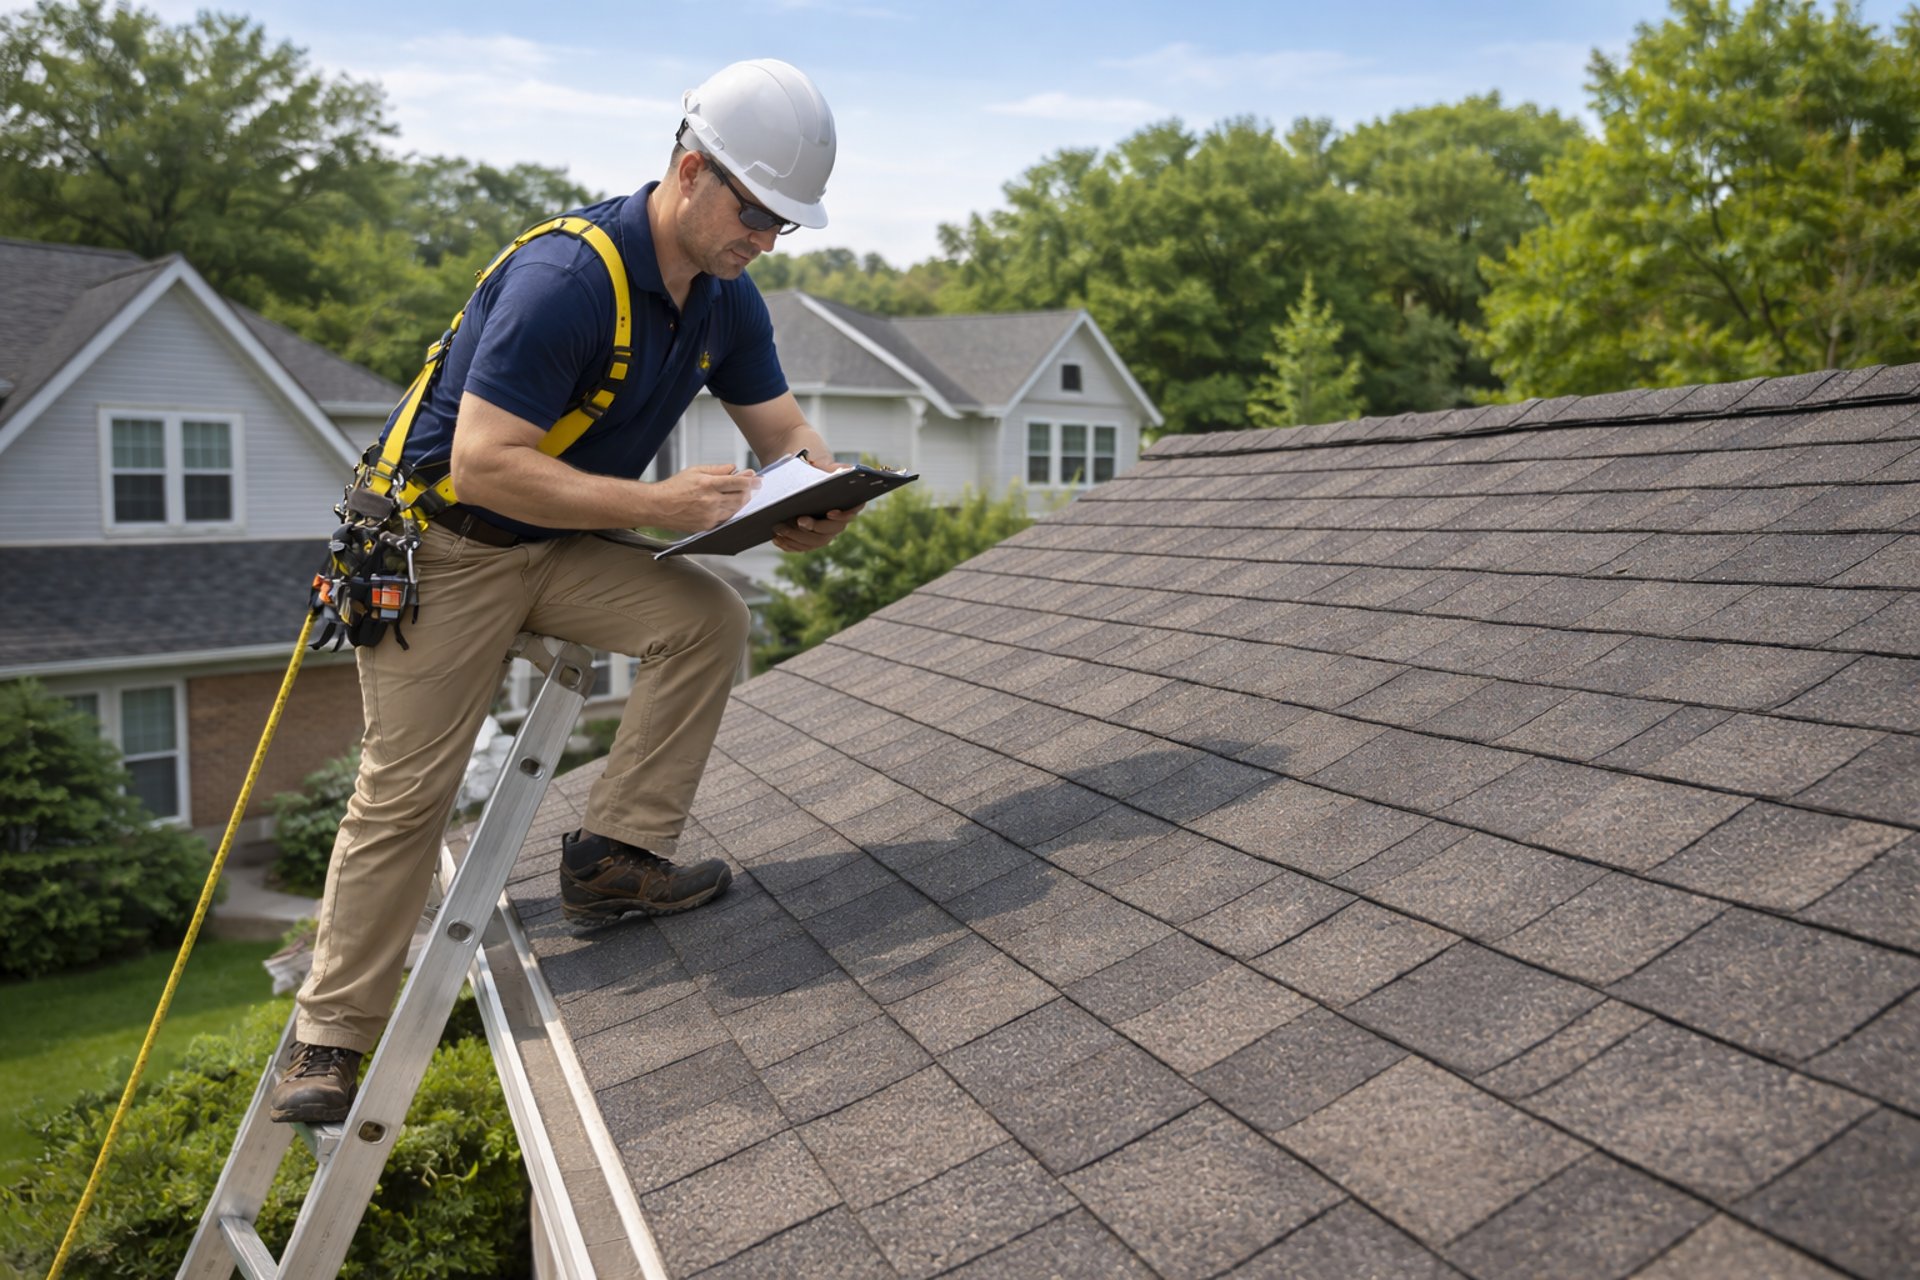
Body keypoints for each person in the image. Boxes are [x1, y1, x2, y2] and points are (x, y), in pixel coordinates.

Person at [271, 58, 849, 1124]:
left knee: (706, 621)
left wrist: (819, 492)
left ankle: (616, 856)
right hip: (441, 546)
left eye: (783, 225)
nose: (764, 240)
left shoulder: (724, 301)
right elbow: (484, 464)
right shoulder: (567, 281)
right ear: (690, 172)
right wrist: (662, 504)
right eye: (757, 214)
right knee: (408, 791)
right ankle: (328, 1034)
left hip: (557, 542)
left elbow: (784, 430)